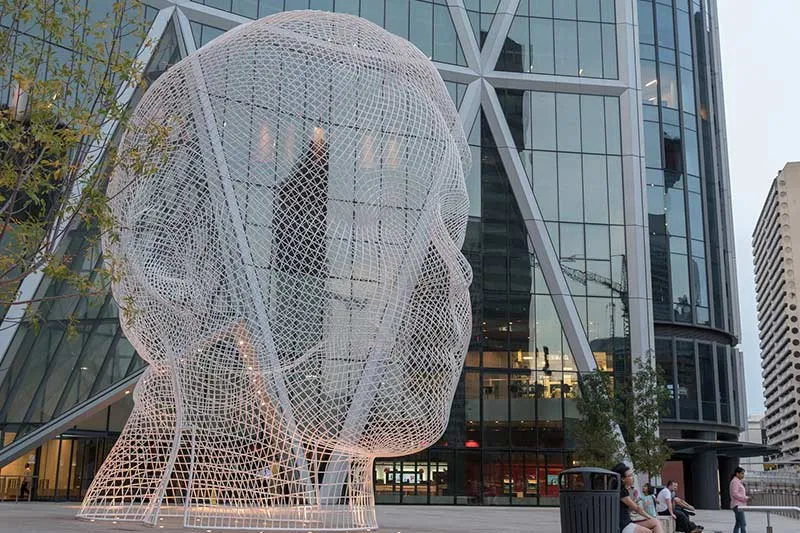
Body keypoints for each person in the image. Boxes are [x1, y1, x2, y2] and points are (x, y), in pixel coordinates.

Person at [611, 463, 663, 533]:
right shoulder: (621, 491)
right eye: (630, 476)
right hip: (623, 525)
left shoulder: (621, 489)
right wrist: (649, 517)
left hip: (627, 522)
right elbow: (637, 508)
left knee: (656, 522)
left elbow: (630, 508)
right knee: (648, 531)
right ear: (623, 479)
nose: (632, 477)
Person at [729, 467, 749, 533]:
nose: (743, 475)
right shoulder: (735, 482)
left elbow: (738, 493)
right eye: (742, 473)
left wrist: (746, 497)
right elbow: (735, 494)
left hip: (739, 505)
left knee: (738, 524)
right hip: (738, 505)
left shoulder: (738, 482)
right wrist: (745, 498)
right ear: (737, 474)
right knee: (743, 524)